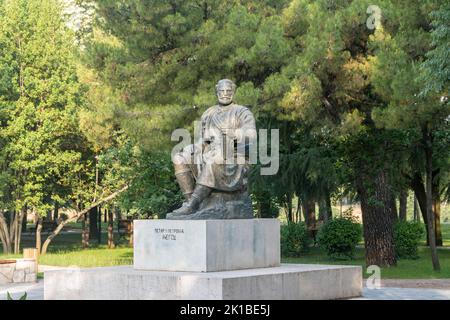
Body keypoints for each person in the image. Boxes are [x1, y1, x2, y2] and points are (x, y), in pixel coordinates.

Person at [168, 79, 256, 218]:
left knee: (216, 158)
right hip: (210, 152)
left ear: (233, 92)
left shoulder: (242, 112)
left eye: (229, 91)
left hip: (233, 157)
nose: (225, 94)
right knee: (179, 157)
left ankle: (193, 204)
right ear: (217, 92)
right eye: (222, 91)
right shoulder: (209, 113)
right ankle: (191, 203)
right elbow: (203, 140)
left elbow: (251, 134)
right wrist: (194, 147)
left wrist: (233, 134)